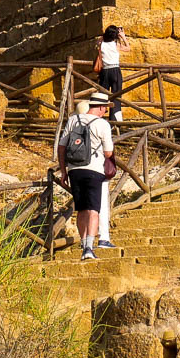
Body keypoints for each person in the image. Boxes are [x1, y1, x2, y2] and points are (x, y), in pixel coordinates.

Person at [56, 91, 114, 261]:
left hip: (74, 170)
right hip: (94, 169)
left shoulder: (74, 120)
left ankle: (83, 243)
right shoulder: (103, 124)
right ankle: (88, 247)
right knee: (93, 209)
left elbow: (61, 147)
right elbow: (108, 152)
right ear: (102, 108)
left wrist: (63, 170)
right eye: (105, 108)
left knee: (81, 209)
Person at [93, 25, 129, 121]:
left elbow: (98, 42)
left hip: (105, 71)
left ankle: (97, 116)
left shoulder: (101, 44)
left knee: (102, 95)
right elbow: (128, 48)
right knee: (116, 96)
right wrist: (123, 36)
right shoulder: (116, 45)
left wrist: (104, 35)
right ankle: (115, 120)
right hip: (115, 70)